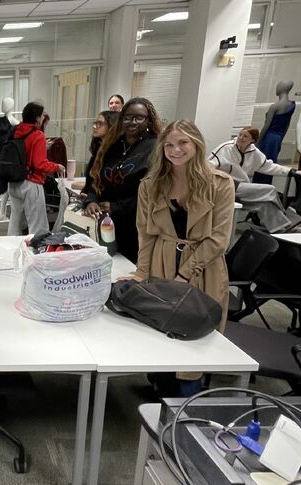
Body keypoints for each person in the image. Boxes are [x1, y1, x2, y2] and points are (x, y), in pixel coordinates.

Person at [120, 119, 235, 396]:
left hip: (203, 269)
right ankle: (161, 392)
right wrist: (141, 272)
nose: (175, 150)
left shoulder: (220, 184)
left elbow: (219, 239)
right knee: (160, 331)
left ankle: (187, 403)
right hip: (161, 262)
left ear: (196, 144)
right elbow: (145, 233)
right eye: (169, 145)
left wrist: (185, 274)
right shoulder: (151, 185)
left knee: (195, 338)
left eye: (183, 143)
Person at [84, 97, 162, 263]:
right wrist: (91, 200)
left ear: (148, 120)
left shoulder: (156, 147)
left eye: (139, 117)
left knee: (126, 271)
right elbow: (96, 179)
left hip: (134, 227)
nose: (132, 122)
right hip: (104, 224)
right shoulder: (112, 144)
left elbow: (154, 194)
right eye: (127, 117)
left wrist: (116, 207)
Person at [208, 126, 301, 233]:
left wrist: (292, 172)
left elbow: (269, 166)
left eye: (245, 136)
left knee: (266, 203)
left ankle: (283, 230)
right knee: (270, 190)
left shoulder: (254, 152)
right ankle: (288, 224)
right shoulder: (226, 148)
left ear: (252, 140)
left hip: (240, 189)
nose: (241, 138)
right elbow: (207, 167)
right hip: (224, 186)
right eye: (240, 134)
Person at [7, 101, 66, 236]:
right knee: (37, 225)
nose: (43, 117)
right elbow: (40, 164)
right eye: (41, 115)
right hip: (31, 183)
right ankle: (36, 248)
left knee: (15, 221)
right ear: (37, 118)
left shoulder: (15, 131)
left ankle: (11, 245)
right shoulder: (37, 135)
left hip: (13, 182)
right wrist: (57, 166)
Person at [81, 110, 120, 197]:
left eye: (100, 124)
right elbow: (91, 179)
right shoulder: (98, 148)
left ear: (112, 126)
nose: (95, 127)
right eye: (95, 123)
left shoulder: (115, 152)